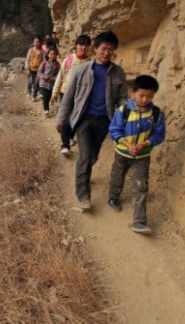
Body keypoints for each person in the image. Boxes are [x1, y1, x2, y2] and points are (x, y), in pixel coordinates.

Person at [56, 31, 128, 210]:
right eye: (103, 49)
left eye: (110, 50)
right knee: (86, 156)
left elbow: (121, 98)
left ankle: (85, 171)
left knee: (93, 156)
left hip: (104, 121)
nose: (106, 53)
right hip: (83, 120)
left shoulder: (118, 72)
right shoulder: (82, 70)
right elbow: (69, 97)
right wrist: (61, 119)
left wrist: (125, 114)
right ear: (95, 49)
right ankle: (83, 195)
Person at [107, 75, 165, 234]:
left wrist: (146, 144)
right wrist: (128, 145)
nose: (146, 99)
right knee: (118, 175)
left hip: (142, 155)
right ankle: (113, 197)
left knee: (141, 185)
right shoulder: (123, 111)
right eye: (142, 95)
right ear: (133, 92)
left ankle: (139, 221)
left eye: (150, 96)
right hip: (122, 152)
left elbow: (158, 135)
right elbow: (114, 130)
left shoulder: (156, 113)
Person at [51, 34, 91, 156]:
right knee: (65, 119)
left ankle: (69, 137)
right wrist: (54, 92)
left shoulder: (90, 63)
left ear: (89, 47)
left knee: (76, 119)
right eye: (81, 44)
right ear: (76, 45)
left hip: (81, 97)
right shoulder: (69, 59)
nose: (83, 48)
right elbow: (60, 76)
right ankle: (64, 145)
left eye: (86, 45)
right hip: (66, 93)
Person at [37, 46, 60, 116]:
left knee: (50, 97)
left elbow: (59, 74)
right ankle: (46, 109)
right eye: (51, 54)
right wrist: (44, 77)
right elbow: (39, 72)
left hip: (52, 84)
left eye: (54, 54)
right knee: (45, 97)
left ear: (56, 55)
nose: (52, 56)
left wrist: (53, 78)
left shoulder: (57, 65)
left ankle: (47, 106)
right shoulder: (44, 63)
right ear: (48, 55)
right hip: (44, 84)